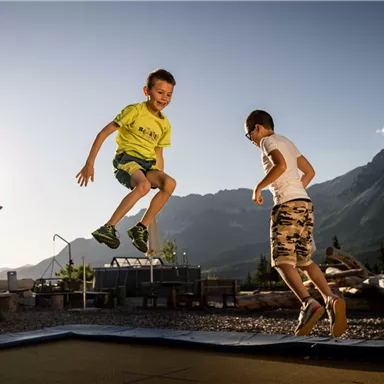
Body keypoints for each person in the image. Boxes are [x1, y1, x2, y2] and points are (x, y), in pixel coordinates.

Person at [244, 109, 347, 337]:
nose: (250, 140)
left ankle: (308, 303)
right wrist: (296, 190)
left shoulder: (267, 141)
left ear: (258, 128)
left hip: (287, 206)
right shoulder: (288, 141)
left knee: (282, 261)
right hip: (305, 204)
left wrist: (259, 187)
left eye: (248, 135)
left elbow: (279, 166)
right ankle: (330, 298)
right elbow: (310, 172)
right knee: (304, 260)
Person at [76, 69, 177, 254]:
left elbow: (158, 153)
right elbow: (103, 133)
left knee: (170, 184)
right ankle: (108, 228)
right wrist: (89, 163)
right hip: (126, 160)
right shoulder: (134, 111)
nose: (164, 98)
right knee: (144, 186)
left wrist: (160, 177)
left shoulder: (165, 124)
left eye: (169, 94)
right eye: (160, 92)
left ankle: (140, 228)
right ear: (147, 91)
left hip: (148, 165)